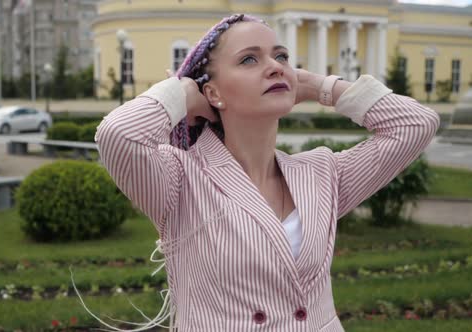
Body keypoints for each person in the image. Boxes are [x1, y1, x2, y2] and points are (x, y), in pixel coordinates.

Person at [92, 13, 439, 331]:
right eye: (249, 59)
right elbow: (118, 135)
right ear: (212, 92)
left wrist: (322, 86)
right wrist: (182, 93)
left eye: (282, 56)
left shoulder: (321, 173)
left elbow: (416, 124)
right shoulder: (179, 178)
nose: (275, 66)